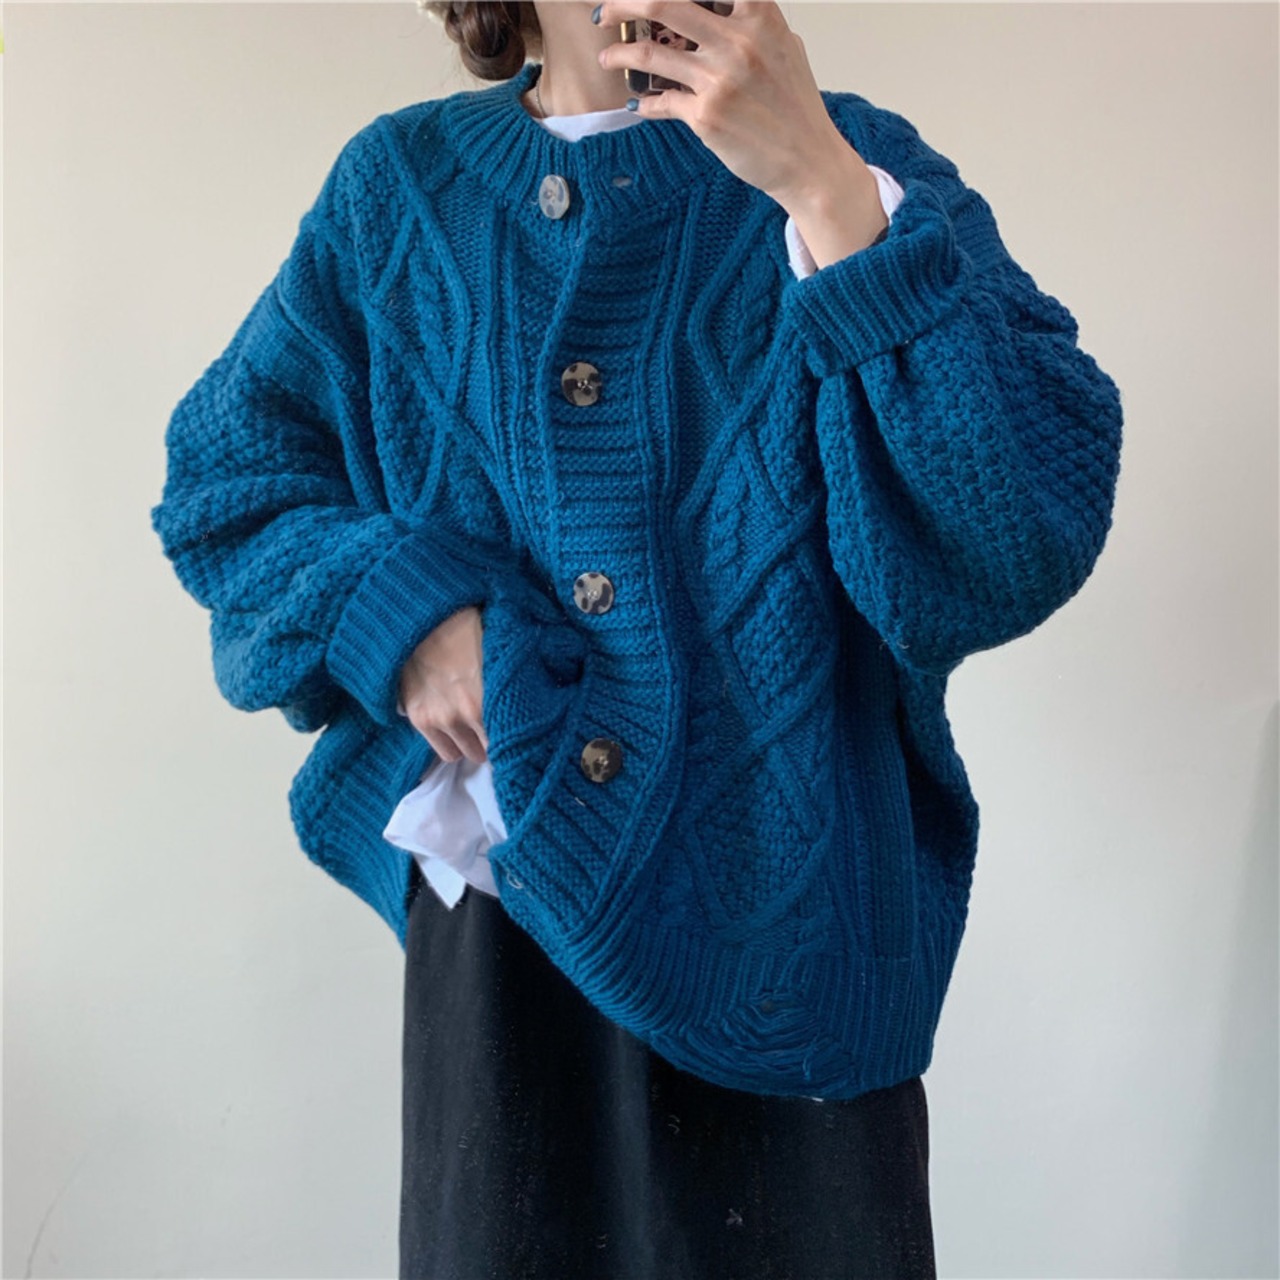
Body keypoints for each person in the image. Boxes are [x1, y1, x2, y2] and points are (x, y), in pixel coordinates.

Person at [149, 1, 1124, 1276]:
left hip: (797, 936)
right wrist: (401, 611)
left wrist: (826, 192)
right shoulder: (399, 192)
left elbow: (1014, 535)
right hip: (507, 937)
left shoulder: (859, 163)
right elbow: (229, 486)